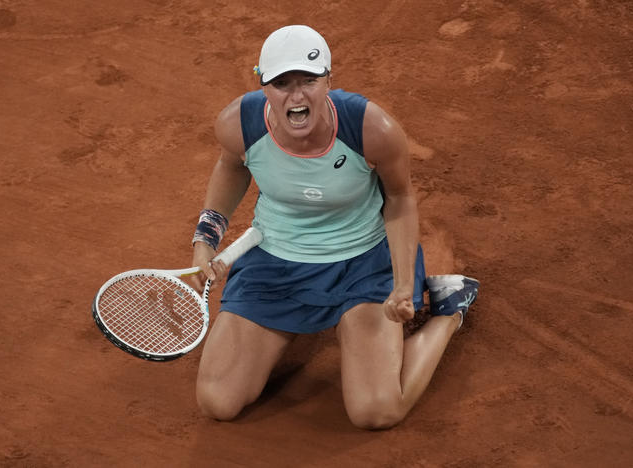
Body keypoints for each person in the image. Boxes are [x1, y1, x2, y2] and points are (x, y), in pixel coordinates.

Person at [189, 25, 479, 429]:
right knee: (217, 400)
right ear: (263, 86)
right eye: (282, 83)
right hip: (275, 265)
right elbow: (230, 165)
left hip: (362, 265)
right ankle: (293, 320)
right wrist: (207, 235)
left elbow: (399, 200)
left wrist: (399, 284)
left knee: (376, 411)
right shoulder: (239, 123)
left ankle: (449, 308)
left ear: (329, 79)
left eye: (309, 81)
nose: (297, 96)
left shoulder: (372, 129)